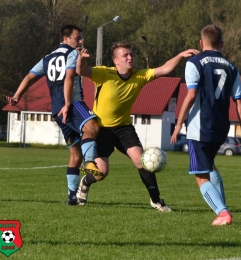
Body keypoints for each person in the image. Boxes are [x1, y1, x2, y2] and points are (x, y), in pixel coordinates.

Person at [75, 41, 199, 211]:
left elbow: (164, 69)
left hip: (124, 129)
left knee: (143, 162)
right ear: (116, 61)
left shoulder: (139, 76)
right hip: (101, 130)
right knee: (101, 173)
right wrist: (81, 58)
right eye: (125, 55)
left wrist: (180, 55)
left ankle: (156, 201)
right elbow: (81, 71)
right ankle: (85, 182)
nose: (130, 57)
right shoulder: (104, 73)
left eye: (131, 54)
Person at [6, 24, 103, 206]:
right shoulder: (72, 53)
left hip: (55, 110)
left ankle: (71, 196)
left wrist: (17, 96)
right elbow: (69, 77)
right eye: (78, 38)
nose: (81, 41)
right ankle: (90, 162)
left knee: (75, 154)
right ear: (66, 39)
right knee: (93, 126)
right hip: (72, 104)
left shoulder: (47, 58)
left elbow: (29, 77)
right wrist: (68, 104)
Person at [170, 24, 241, 224]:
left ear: (201, 42)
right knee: (211, 166)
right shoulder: (232, 67)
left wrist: (179, 123)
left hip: (200, 126)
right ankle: (222, 207)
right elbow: (240, 105)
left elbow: (191, 95)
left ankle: (223, 213)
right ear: (221, 43)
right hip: (221, 127)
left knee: (200, 176)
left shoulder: (195, 62)